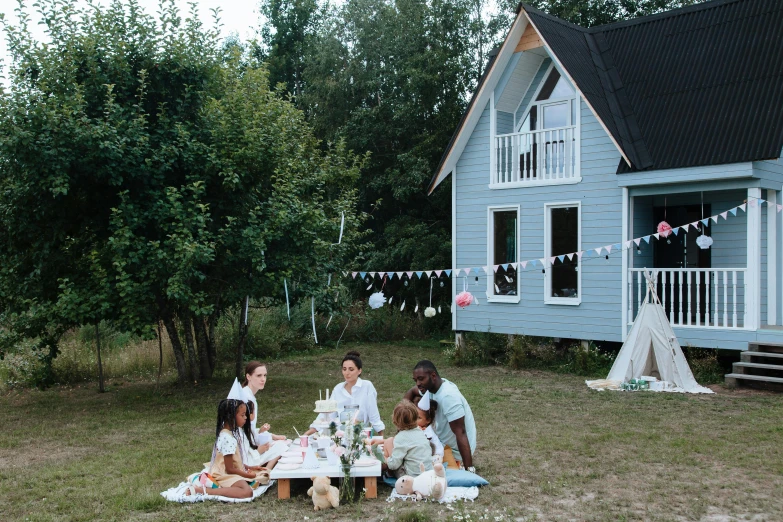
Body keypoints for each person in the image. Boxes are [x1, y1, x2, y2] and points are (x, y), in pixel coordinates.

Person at [405, 360, 476, 472]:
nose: (418, 383)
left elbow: (461, 432)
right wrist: (403, 411)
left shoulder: (448, 396)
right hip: (440, 443)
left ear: (433, 375)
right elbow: (412, 391)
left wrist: (469, 470)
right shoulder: (432, 388)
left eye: (421, 379)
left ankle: (460, 464)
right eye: (416, 380)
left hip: (453, 452)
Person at [185, 399, 265, 498]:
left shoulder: (226, 433)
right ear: (231, 417)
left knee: (261, 478)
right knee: (247, 492)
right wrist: (248, 475)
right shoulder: (228, 438)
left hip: (226, 471)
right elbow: (229, 469)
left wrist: (249, 468)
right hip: (223, 474)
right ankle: (204, 491)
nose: (245, 418)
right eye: (242, 415)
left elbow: (231, 461)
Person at [305, 351, 385, 436]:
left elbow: (374, 415)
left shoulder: (367, 386)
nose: (347, 373)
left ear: (359, 371)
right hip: (339, 434)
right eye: (344, 369)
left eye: (351, 369)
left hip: (360, 434)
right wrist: (308, 433)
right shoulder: (338, 389)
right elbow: (327, 414)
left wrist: (382, 439)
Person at [382, 400, 434, 478]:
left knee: (389, 442)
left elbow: (394, 465)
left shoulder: (401, 437)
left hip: (411, 478)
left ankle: (386, 472)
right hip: (428, 474)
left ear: (395, 420)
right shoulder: (420, 431)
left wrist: (385, 458)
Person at [241, 361, 286, 447]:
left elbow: (249, 428)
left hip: (248, 439)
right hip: (243, 446)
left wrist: (264, 432)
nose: (263, 379)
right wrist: (270, 437)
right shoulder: (246, 398)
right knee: (282, 447)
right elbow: (242, 430)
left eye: (264, 375)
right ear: (248, 376)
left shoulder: (249, 395)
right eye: (259, 375)